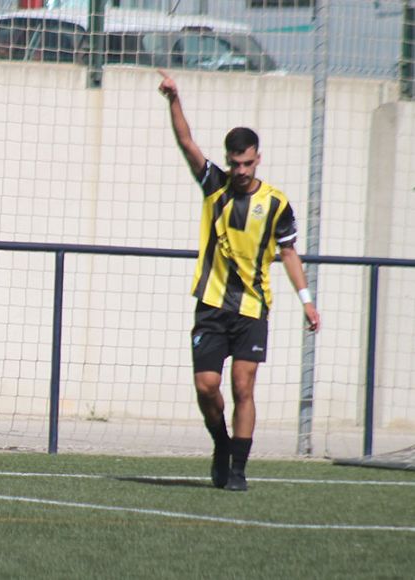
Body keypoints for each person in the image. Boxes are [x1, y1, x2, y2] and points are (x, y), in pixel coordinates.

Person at [157, 71, 320, 491]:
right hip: (212, 305)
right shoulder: (215, 187)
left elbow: (287, 253)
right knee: (206, 386)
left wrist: (306, 300)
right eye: (234, 163)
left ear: (258, 158)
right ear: (228, 161)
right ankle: (221, 443)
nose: (241, 169)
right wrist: (174, 99)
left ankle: (238, 471)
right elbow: (186, 143)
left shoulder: (277, 203)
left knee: (243, 385)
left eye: (247, 162)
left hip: (252, 309)